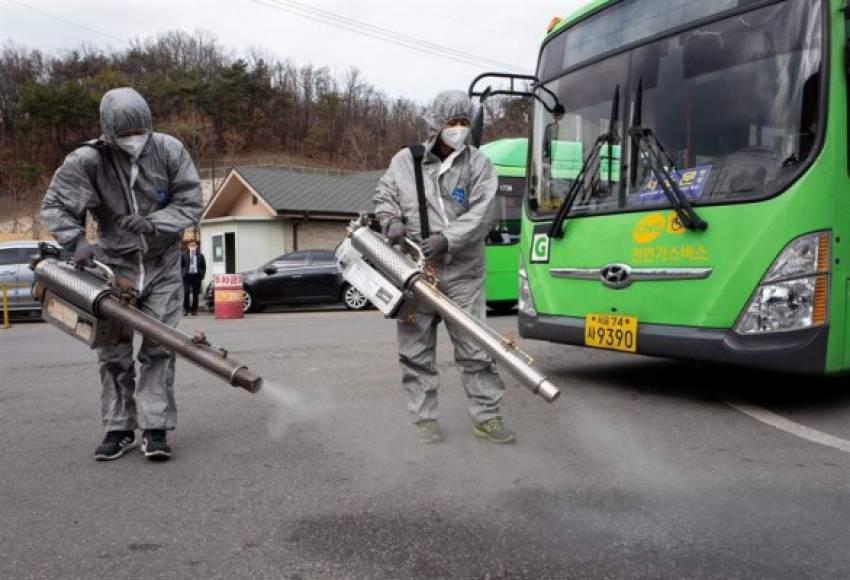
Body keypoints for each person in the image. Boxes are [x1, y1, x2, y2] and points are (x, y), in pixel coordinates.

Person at [41, 87, 203, 462]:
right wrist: (76, 239)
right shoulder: (88, 160)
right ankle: (118, 427)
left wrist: (153, 222)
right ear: (108, 133)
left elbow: (190, 201)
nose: (134, 142)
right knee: (113, 352)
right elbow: (55, 205)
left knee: (159, 348)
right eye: (125, 136)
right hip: (114, 270)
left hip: (162, 265)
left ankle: (156, 427)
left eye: (139, 134)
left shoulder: (169, 150)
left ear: (149, 125)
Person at [374, 90, 515, 445]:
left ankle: (487, 417)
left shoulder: (479, 164)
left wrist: (447, 238)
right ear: (436, 124)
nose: (459, 129)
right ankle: (425, 420)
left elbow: (484, 212)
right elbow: (385, 195)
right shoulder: (405, 161)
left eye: (464, 122)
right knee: (416, 350)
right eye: (452, 122)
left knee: (477, 347)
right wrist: (390, 221)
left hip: (464, 271)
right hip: (416, 272)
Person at [181, 240, 206, 316]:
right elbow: (180, 265)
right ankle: (186, 309)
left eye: (194, 246)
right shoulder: (184, 255)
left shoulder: (200, 255)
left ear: (196, 247)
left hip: (196, 276)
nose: (192, 247)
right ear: (188, 247)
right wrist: (182, 274)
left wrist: (201, 274)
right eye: (191, 246)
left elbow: (203, 266)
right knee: (186, 293)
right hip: (187, 276)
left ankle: (194, 310)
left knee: (195, 294)